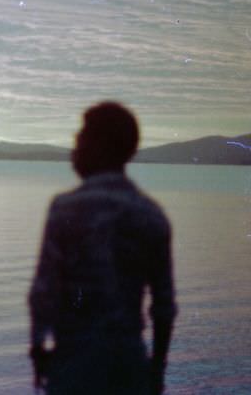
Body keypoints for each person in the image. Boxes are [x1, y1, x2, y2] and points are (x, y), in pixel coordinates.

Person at [28, 102, 177, 394]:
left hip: (73, 365)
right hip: (129, 365)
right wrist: (156, 369)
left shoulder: (65, 209)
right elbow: (164, 307)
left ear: (100, 145)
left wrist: (37, 348)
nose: (75, 146)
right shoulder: (152, 215)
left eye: (81, 137)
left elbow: (43, 292)